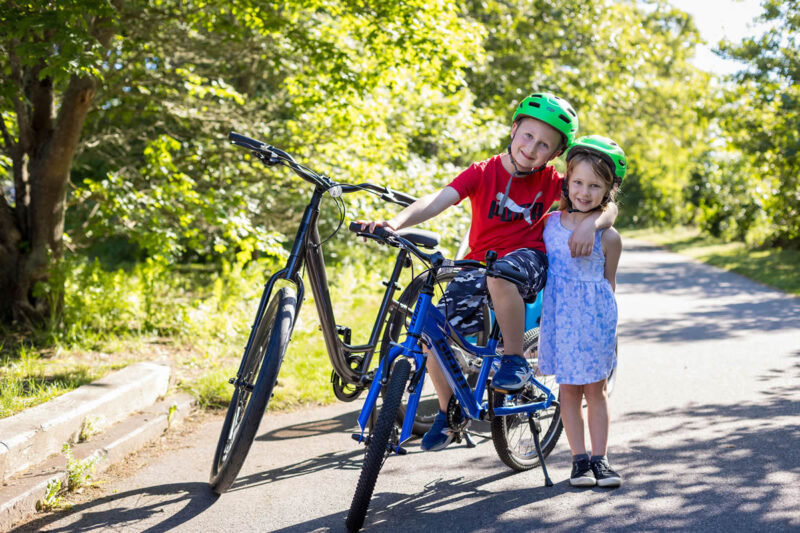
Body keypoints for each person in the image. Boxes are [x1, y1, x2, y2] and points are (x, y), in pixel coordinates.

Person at [358, 93, 617, 451]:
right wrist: (395, 223)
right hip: (480, 264)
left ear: (556, 154)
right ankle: (449, 416)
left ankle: (514, 361)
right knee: (433, 327)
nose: (532, 148)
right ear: (513, 129)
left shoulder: (552, 182)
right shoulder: (483, 172)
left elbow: (606, 203)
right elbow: (437, 199)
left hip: (528, 261)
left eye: (544, 145)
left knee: (502, 274)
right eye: (528, 136)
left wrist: (592, 226)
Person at [537, 134, 626, 488]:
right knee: (568, 390)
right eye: (578, 182)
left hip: (595, 322)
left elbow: (610, 283)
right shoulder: (549, 226)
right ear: (567, 181)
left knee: (596, 389)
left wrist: (609, 331)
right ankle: (578, 461)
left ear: (607, 191)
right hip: (561, 320)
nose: (584, 192)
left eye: (594, 186)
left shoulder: (610, 237)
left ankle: (600, 459)